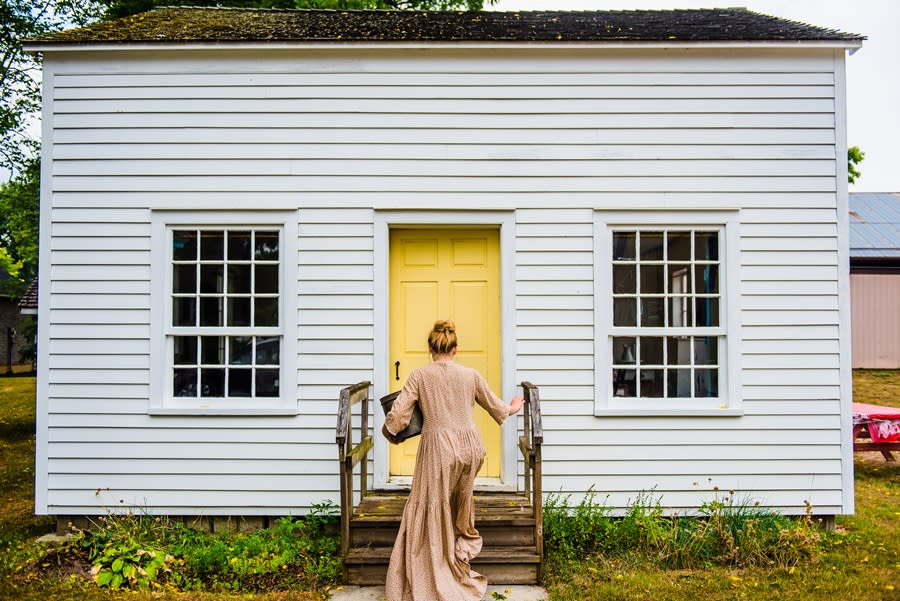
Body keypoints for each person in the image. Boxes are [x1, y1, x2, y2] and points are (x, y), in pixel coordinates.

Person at [382, 320, 524, 601]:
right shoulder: (470, 374)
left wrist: (389, 431)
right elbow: (497, 407)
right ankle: (459, 555)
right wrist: (512, 407)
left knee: (433, 506)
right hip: (471, 447)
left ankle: (435, 569)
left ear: (430, 348)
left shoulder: (420, 376)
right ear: (455, 349)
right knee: (459, 502)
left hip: (439, 448)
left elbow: (398, 416)